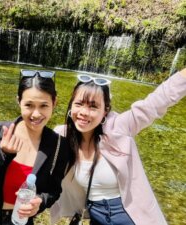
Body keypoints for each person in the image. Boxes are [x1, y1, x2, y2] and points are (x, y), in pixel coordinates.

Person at [50, 68, 186, 225]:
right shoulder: (63, 136)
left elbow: (156, 102)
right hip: (95, 216)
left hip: (129, 216)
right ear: (71, 106)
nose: (84, 112)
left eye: (93, 107)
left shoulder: (118, 128)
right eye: (79, 104)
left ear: (105, 110)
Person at [0, 69, 73, 225]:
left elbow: (53, 190)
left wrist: (40, 202)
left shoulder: (59, 146)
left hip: (21, 220)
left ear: (54, 103)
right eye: (29, 105)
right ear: (19, 101)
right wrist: (1, 154)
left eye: (44, 105)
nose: (36, 114)